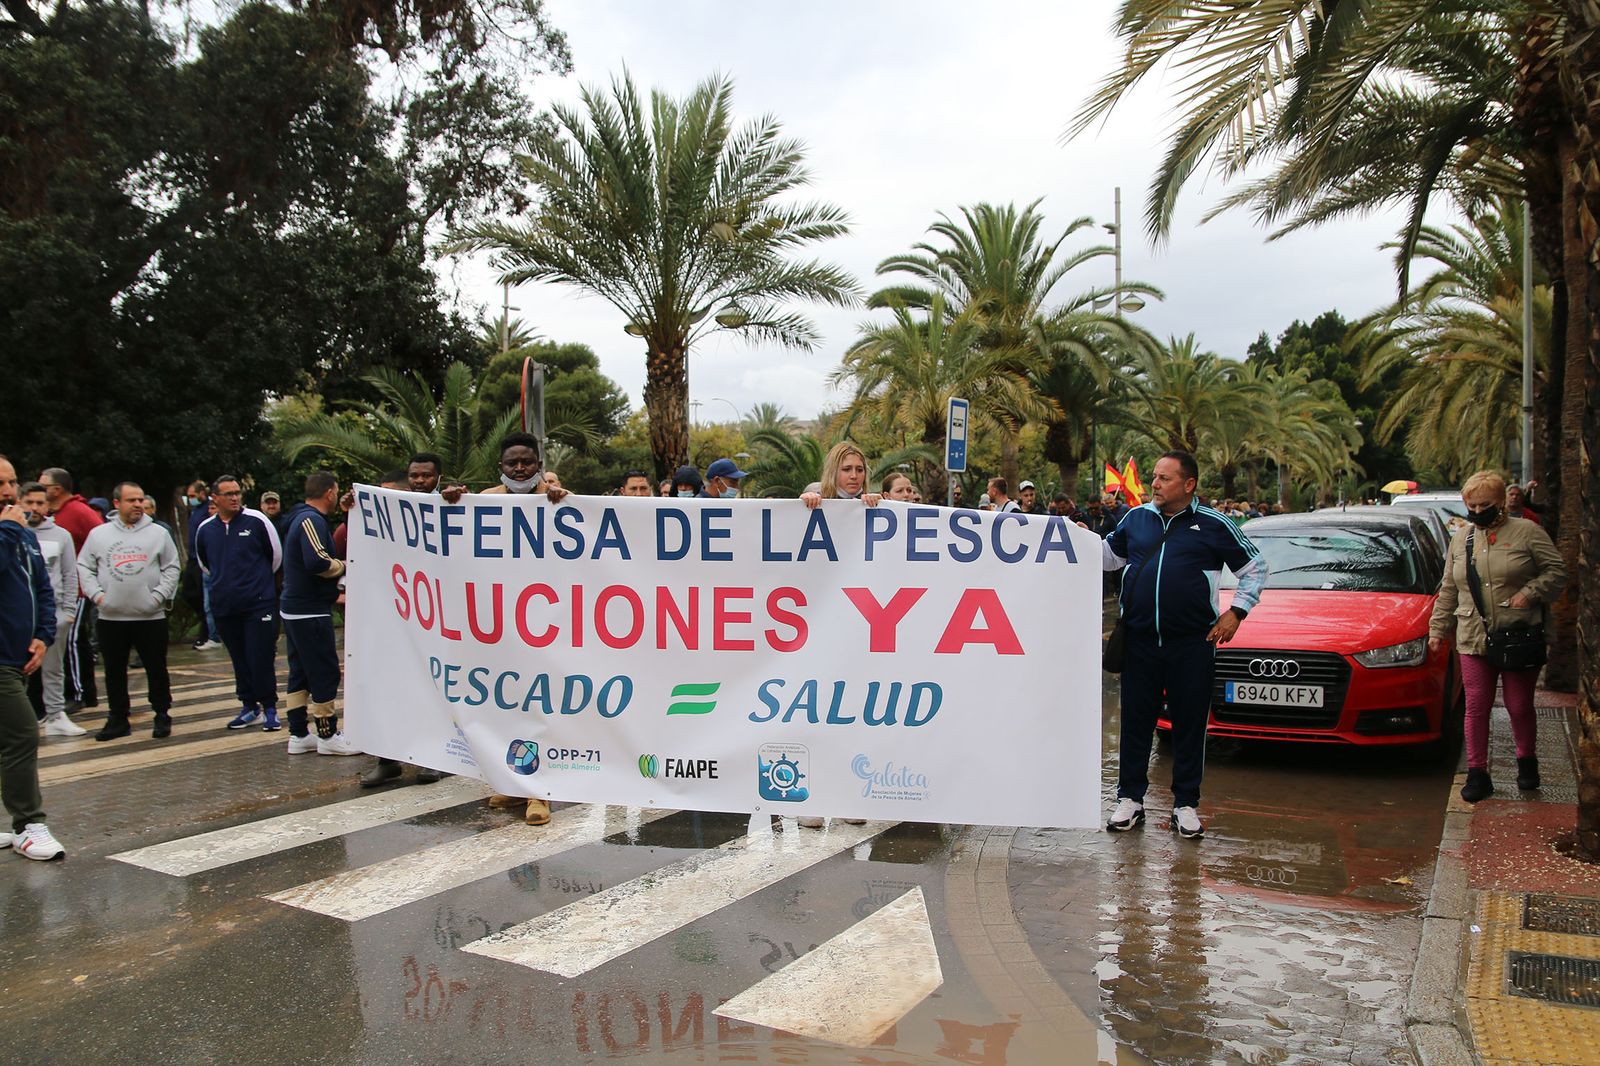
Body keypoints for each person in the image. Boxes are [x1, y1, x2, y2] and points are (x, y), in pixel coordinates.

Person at [1101, 451, 1267, 840]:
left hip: (1192, 644)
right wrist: (1068, 540)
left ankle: (1186, 804)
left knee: (1189, 725)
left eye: (1164, 478)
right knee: (1135, 723)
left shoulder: (1214, 525)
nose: (1154, 484)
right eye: (1154, 477)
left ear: (1188, 485)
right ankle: (1130, 799)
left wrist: (1237, 612)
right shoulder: (1136, 519)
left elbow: (1255, 568)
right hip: (1140, 641)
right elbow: (1109, 556)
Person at [441, 433, 564, 824]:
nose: (520, 469)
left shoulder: (558, 498)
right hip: (499, 625)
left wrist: (565, 501)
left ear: (539, 463)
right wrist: (450, 503)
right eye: (513, 463)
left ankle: (538, 793)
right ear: (501, 467)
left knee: (539, 710)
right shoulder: (484, 500)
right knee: (506, 706)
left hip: (546, 627)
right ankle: (511, 784)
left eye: (527, 462)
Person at [1429, 470, 1566, 803]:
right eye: (1471, 506)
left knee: (1519, 705)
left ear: (1502, 501)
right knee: (1476, 706)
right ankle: (1477, 773)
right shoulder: (1462, 539)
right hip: (1473, 635)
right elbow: (1449, 587)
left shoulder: (1527, 533)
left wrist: (1530, 592)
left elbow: (1557, 571)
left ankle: (1527, 761)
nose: (1477, 511)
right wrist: (1437, 628)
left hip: (1518, 633)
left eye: (1484, 504)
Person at [361, 454, 452, 789]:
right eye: (414, 475)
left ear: (438, 477)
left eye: (426, 476)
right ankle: (388, 760)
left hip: (436, 618)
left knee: (433, 692)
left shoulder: (448, 507)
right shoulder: (390, 512)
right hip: (398, 617)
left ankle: (434, 760)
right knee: (392, 689)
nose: (419, 481)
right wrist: (354, 508)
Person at [0, 456, 66, 860]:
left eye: (10, 482)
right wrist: (8, 529)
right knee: (23, 732)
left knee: (7, 740)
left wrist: (42, 636)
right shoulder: (12, 528)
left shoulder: (20, 531)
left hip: (19, 654)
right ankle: (28, 824)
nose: (8, 491)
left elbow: (41, 586)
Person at [78, 483, 180, 742]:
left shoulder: (158, 533)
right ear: (116, 504)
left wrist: (158, 597)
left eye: (140, 500)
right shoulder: (99, 534)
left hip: (150, 617)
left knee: (156, 668)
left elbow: (171, 567)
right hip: (111, 617)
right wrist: (98, 596)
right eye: (131, 500)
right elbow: (84, 566)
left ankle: (161, 713)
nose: (137, 504)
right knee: (113, 670)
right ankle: (118, 718)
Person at [278, 472, 361, 757]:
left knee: (299, 672)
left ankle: (298, 733)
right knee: (324, 671)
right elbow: (317, 561)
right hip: (309, 609)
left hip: (295, 609)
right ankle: (327, 734)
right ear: (329, 493)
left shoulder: (298, 518)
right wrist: (345, 565)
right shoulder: (310, 520)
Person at [195, 475, 283, 732]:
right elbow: (205, 564)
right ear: (215, 498)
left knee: (261, 656)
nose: (234, 498)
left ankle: (269, 708)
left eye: (237, 493)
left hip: (258, 604)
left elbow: (275, 557)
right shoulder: (206, 529)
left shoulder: (257, 521)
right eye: (228, 494)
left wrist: (260, 587)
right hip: (225, 605)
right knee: (239, 658)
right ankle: (248, 705)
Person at [18, 483, 84, 736]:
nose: (34, 508)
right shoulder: (12, 531)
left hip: (52, 613)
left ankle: (56, 714)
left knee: (54, 667)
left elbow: (69, 574)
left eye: (40, 503)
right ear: (20, 502)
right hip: (20, 614)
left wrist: (68, 612)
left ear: (48, 505)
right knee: (17, 669)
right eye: (29, 502)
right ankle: (21, 719)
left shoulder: (61, 535)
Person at [37, 468, 102, 709]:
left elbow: (101, 539)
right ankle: (88, 692)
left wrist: (92, 576)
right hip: (61, 588)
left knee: (72, 641)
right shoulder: (54, 514)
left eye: (43, 486)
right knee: (79, 640)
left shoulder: (78, 511)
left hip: (78, 589)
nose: (39, 489)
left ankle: (75, 693)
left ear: (57, 489)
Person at [801, 443, 881, 510]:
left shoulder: (871, 500)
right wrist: (803, 502)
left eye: (859, 470)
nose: (854, 476)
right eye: (846, 469)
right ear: (833, 472)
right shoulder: (814, 492)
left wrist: (881, 504)